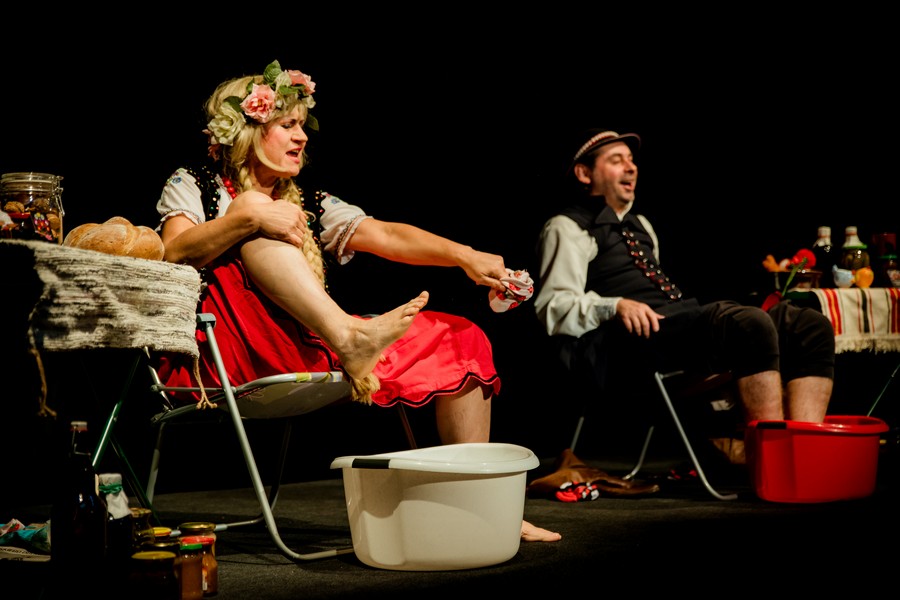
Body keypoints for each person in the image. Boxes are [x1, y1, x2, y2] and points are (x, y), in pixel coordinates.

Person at [154, 60, 559, 543]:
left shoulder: (307, 200)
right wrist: (249, 218)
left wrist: (465, 257)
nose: (301, 137)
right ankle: (348, 335)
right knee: (257, 212)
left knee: (461, 338)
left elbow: (385, 234)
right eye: (287, 125)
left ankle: (484, 507)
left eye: (302, 125)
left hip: (311, 344)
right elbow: (173, 251)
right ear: (248, 131)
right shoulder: (195, 183)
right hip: (232, 353)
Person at [534, 129, 835, 455]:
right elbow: (553, 306)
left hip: (673, 328)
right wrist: (615, 305)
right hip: (623, 349)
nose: (631, 167)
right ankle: (771, 462)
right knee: (748, 324)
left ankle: (804, 457)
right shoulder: (566, 226)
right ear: (584, 173)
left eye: (631, 160)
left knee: (808, 325)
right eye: (617, 160)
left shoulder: (642, 225)